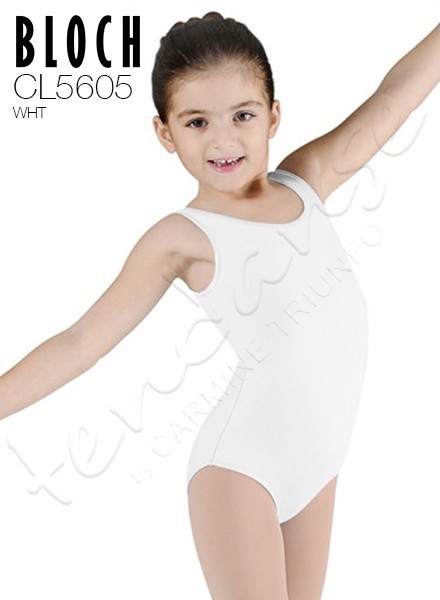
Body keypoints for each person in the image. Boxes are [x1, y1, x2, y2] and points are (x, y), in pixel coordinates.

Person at [1, 11, 438, 599]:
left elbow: (395, 97)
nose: (223, 139)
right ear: (165, 133)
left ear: (273, 115)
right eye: (197, 122)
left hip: (319, 466)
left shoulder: (307, 179)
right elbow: (81, 343)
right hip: (241, 471)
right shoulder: (181, 237)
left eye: (243, 115)